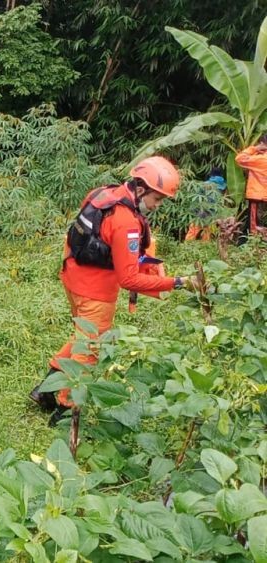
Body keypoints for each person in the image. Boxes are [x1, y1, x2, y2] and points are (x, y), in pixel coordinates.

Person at [29, 156, 195, 425]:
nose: (158, 205)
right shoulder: (126, 222)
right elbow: (129, 279)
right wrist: (177, 282)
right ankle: (65, 414)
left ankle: (45, 392)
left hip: (73, 277)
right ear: (141, 188)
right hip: (96, 291)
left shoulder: (104, 193)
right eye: (158, 198)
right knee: (89, 349)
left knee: (82, 336)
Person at [235, 136, 267, 235]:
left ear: (263, 144)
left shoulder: (260, 159)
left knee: (255, 224)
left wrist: (254, 149)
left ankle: (254, 246)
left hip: (258, 196)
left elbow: (239, 158)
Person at [184, 167, 227, 241]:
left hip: (202, 209)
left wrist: (193, 210)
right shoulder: (224, 186)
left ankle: (187, 244)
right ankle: (204, 247)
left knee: (194, 229)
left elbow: (197, 199)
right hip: (214, 212)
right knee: (207, 231)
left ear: (211, 175)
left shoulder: (205, 184)